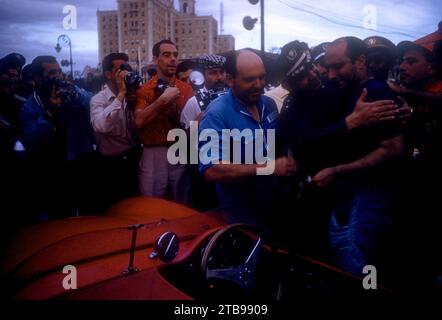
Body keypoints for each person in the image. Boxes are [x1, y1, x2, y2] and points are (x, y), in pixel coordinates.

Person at [317, 36, 407, 277]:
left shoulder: (374, 92)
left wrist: (337, 171)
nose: (331, 74)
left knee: (363, 269)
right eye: (328, 68)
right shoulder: (350, 90)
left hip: (372, 197)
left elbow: (393, 148)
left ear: (360, 61)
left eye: (339, 66)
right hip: (353, 196)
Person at [198, 49, 297, 230]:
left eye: (262, 77)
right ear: (230, 80)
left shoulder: (268, 104)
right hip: (240, 215)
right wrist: (269, 168)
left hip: (273, 205)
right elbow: (211, 170)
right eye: (250, 79)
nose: (258, 84)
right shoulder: (216, 114)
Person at [20, 55, 95, 220]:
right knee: (61, 215)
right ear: (38, 79)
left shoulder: (69, 91)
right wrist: (50, 114)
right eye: (53, 72)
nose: (59, 76)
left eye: (59, 71)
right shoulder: (30, 107)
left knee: (89, 212)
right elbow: (33, 143)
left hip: (80, 160)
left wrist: (76, 96)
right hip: (53, 169)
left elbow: (92, 100)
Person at [135, 40, 193, 205]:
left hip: (179, 148)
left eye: (175, 55)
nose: (173, 59)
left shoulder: (187, 89)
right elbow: (139, 121)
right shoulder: (145, 90)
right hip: (154, 151)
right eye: (166, 55)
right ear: (155, 60)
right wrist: (162, 101)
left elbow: (192, 125)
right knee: (152, 202)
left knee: (181, 200)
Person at [90, 52, 141, 210]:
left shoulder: (133, 96)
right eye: (121, 69)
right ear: (108, 74)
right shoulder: (99, 99)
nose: (126, 73)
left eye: (128, 68)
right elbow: (101, 126)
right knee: (113, 208)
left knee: (134, 205)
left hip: (133, 158)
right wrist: (120, 95)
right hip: (110, 164)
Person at [180, 54, 227, 129]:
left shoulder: (233, 98)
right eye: (213, 73)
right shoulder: (193, 102)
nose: (219, 77)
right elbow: (183, 138)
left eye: (222, 72)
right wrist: (198, 122)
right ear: (202, 76)